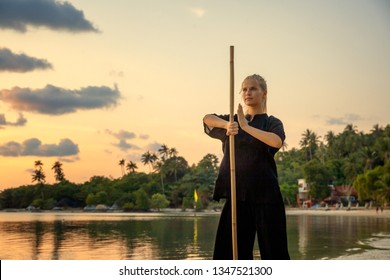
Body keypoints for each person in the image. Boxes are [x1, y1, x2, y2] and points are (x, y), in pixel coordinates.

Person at [203, 74, 290, 260]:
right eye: (244, 89)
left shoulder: (271, 122)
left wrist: (246, 126)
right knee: (228, 254)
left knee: (275, 253)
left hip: (267, 196)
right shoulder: (232, 121)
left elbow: (276, 141)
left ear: (264, 93)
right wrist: (228, 125)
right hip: (237, 196)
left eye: (253, 88)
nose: (247, 92)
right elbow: (206, 119)